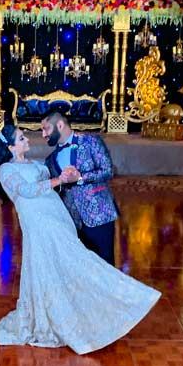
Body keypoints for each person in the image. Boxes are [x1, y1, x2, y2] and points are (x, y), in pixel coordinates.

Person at [0, 125, 160, 355]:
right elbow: (27, 191)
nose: (27, 139)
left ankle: (88, 308)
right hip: (39, 223)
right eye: (21, 138)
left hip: (56, 217)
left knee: (69, 261)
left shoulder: (36, 165)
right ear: (10, 147)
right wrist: (58, 180)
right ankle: (120, 298)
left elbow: (52, 180)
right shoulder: (6, 170)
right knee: (67, 262)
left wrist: (68, 174)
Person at [40, 111, 118, 265]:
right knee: (82, 267)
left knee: (105, 265)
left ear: (60, 125)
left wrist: (80, 178)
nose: (43, 134)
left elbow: (108, 171)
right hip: (72, 222)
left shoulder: (91, 141)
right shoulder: (51, 159)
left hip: (99, 215)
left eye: (46, 128)